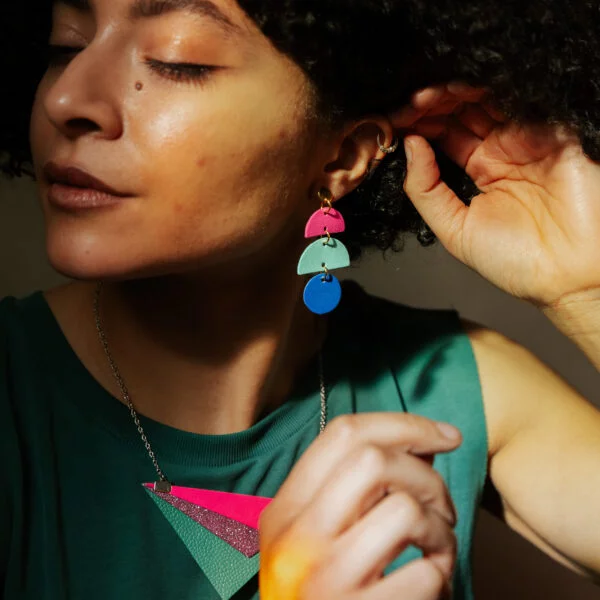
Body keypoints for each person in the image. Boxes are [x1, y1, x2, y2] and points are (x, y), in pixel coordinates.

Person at [1, 0, 600, 598]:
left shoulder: (449, 386)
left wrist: (586, 291)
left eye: (174, 60)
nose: (66, 100)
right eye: (67, 45)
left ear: (342, 156)